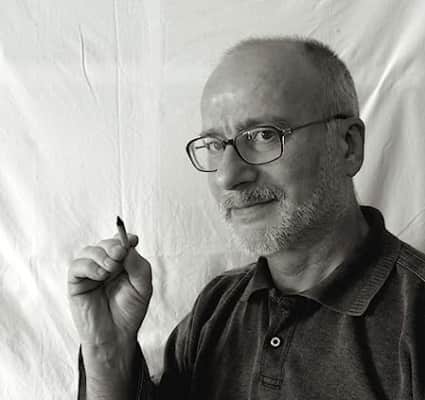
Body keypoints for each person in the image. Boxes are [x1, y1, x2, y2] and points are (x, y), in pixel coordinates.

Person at [68, 36, 425, 400]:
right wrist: (107, 354)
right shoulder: (215, 309)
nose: (227, 176)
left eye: (264, 135)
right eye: (214, 145)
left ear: (348, 146)